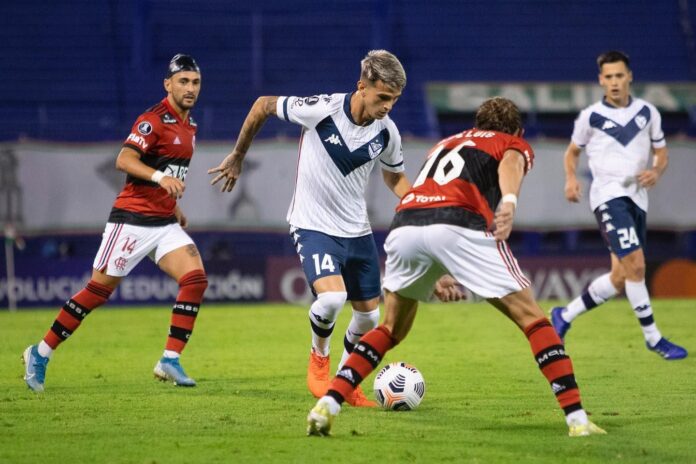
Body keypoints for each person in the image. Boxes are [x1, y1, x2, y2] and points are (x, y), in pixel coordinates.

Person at [307, 97, 606, 438]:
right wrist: (509, 201)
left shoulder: (446, 143)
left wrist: (436, 268)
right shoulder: (510, 142)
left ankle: (328, 404)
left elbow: (429, 199)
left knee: (390, 328)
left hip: (405, 226)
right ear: (517, 131)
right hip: (459, 223)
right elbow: (510, 163)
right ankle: (577, 420)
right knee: (535, 320)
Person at [208, 50, 412, 407]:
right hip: (313, 224)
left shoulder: (387, 132)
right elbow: (262, 105)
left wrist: (420, 203)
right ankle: (319, 357)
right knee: (331, 299)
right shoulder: (323, 109)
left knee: (369, 317)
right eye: (383, 97)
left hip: (357, 230)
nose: (388, 106)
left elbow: (394, 177)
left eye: (394, 100)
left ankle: (346, 381)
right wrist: (238, 155)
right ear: (362, 86)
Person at [22, 54, 208, 392]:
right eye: (183, 81)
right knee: (97, 292)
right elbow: (124, 159)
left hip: (164, 222)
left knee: (195, 280)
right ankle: (40, 352)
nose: (190, 88)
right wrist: (159, 178)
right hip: (132, 220)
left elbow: (170, 171)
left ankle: (169, 359)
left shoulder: (190, 126)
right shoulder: (153, 120)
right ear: (168, 84)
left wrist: (174, 205)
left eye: (195, 82)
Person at [550, 51, 687, 360]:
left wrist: (656, 171)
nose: (614, 82)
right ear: (601, 80)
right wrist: (570, 178)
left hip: (637, 197)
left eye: (619, 76)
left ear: (629, 77)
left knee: (620, 277)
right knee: (636, 265)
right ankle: (653, 338)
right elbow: (572, 152)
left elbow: (661, 152)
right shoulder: (590, 117)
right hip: (608, 196)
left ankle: (564, 315)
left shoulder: (647, 112)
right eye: (608, 77)